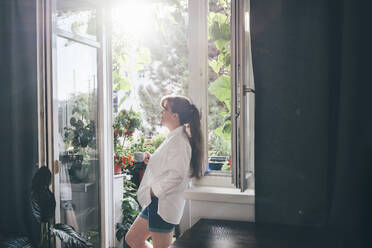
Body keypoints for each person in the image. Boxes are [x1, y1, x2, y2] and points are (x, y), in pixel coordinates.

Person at [125, 95, 203, 248]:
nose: (161, 112)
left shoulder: (180, 141)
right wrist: (152, 161)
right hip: (155, 202)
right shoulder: (174, 137)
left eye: (165, 109)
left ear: (175, 115)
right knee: (132, 240)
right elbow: (170, 167)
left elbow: (178, 175)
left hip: (162, 203)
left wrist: (154, 191)